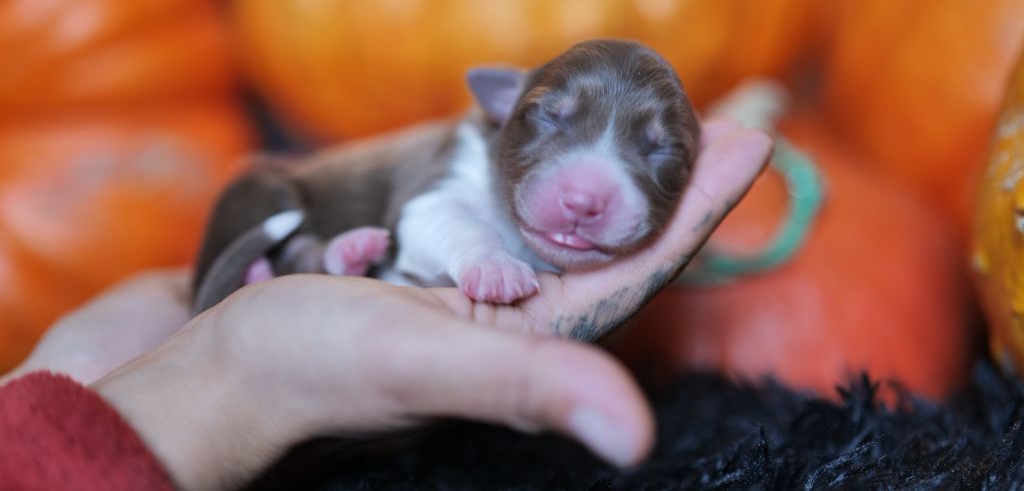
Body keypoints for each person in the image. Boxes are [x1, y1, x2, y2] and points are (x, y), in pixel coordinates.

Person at [0, 120, 771, 491]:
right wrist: (225, 371)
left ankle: (313, 260)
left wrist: (181, 385)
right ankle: (303, 258)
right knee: (282, 208)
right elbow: (429, 222)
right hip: (294, 220)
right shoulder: (461, 172)